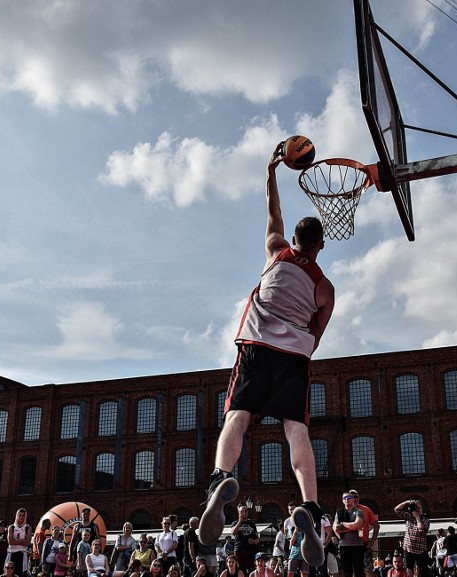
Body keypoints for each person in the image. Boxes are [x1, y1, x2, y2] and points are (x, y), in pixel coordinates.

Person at [199, 143, 336, 574]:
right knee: (297, 431)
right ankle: (311, 508)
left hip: (257, 348)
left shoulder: (276, 249)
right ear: (320, 245)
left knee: (237, 416)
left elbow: (271, 208)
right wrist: (298, 341)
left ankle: (221, 480)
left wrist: (271, 169)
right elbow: (318, 334)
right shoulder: (325, 287)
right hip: (294, 357)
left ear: (296, 240)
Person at [393, 501, 430, 577]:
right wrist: (407, 502)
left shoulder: (426, 520)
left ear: (422, 509)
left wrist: (417, 517)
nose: (417, 510)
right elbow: (397, 509)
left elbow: (421, 529)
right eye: (415, 508)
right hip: (408, 548)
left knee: (423, 571)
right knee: (408, 570)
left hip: (421, 550)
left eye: (419, 508)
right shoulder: (408, 517)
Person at [333, 492, 365, 577]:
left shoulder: (358, 512)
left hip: (357, 546)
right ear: (342, 500)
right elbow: (335, 527)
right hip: (344, 546)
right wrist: (350, 529)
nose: (347, 499)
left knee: (359, 572)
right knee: (347, 572)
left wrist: (343, 524)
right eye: (345, 498)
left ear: (353, 499)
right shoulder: (339, 512)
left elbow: (357, 524)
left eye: (349, 497)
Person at [231, 504, 259, 575]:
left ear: (247, 513)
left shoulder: (252, 524)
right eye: (240, 512)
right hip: (239, 549)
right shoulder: (235, 523)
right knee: (240, 569)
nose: (240, 514)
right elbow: (233, 533)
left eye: (242, 512)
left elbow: (258, 539)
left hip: (250, 550)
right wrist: (239, 522)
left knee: (251, 569)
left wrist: (253, 541)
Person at [7, 509, 32, 577]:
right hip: (12, 553)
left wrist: (15, 541)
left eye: (23, 515)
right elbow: (10, 542)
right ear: (17, 516)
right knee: (10, 573)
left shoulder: (28, 527)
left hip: (22, 553)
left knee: (21, 573)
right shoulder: (11, 527)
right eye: (20, 515)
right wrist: (22, 540)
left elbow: (27, 543)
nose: (21, 517)